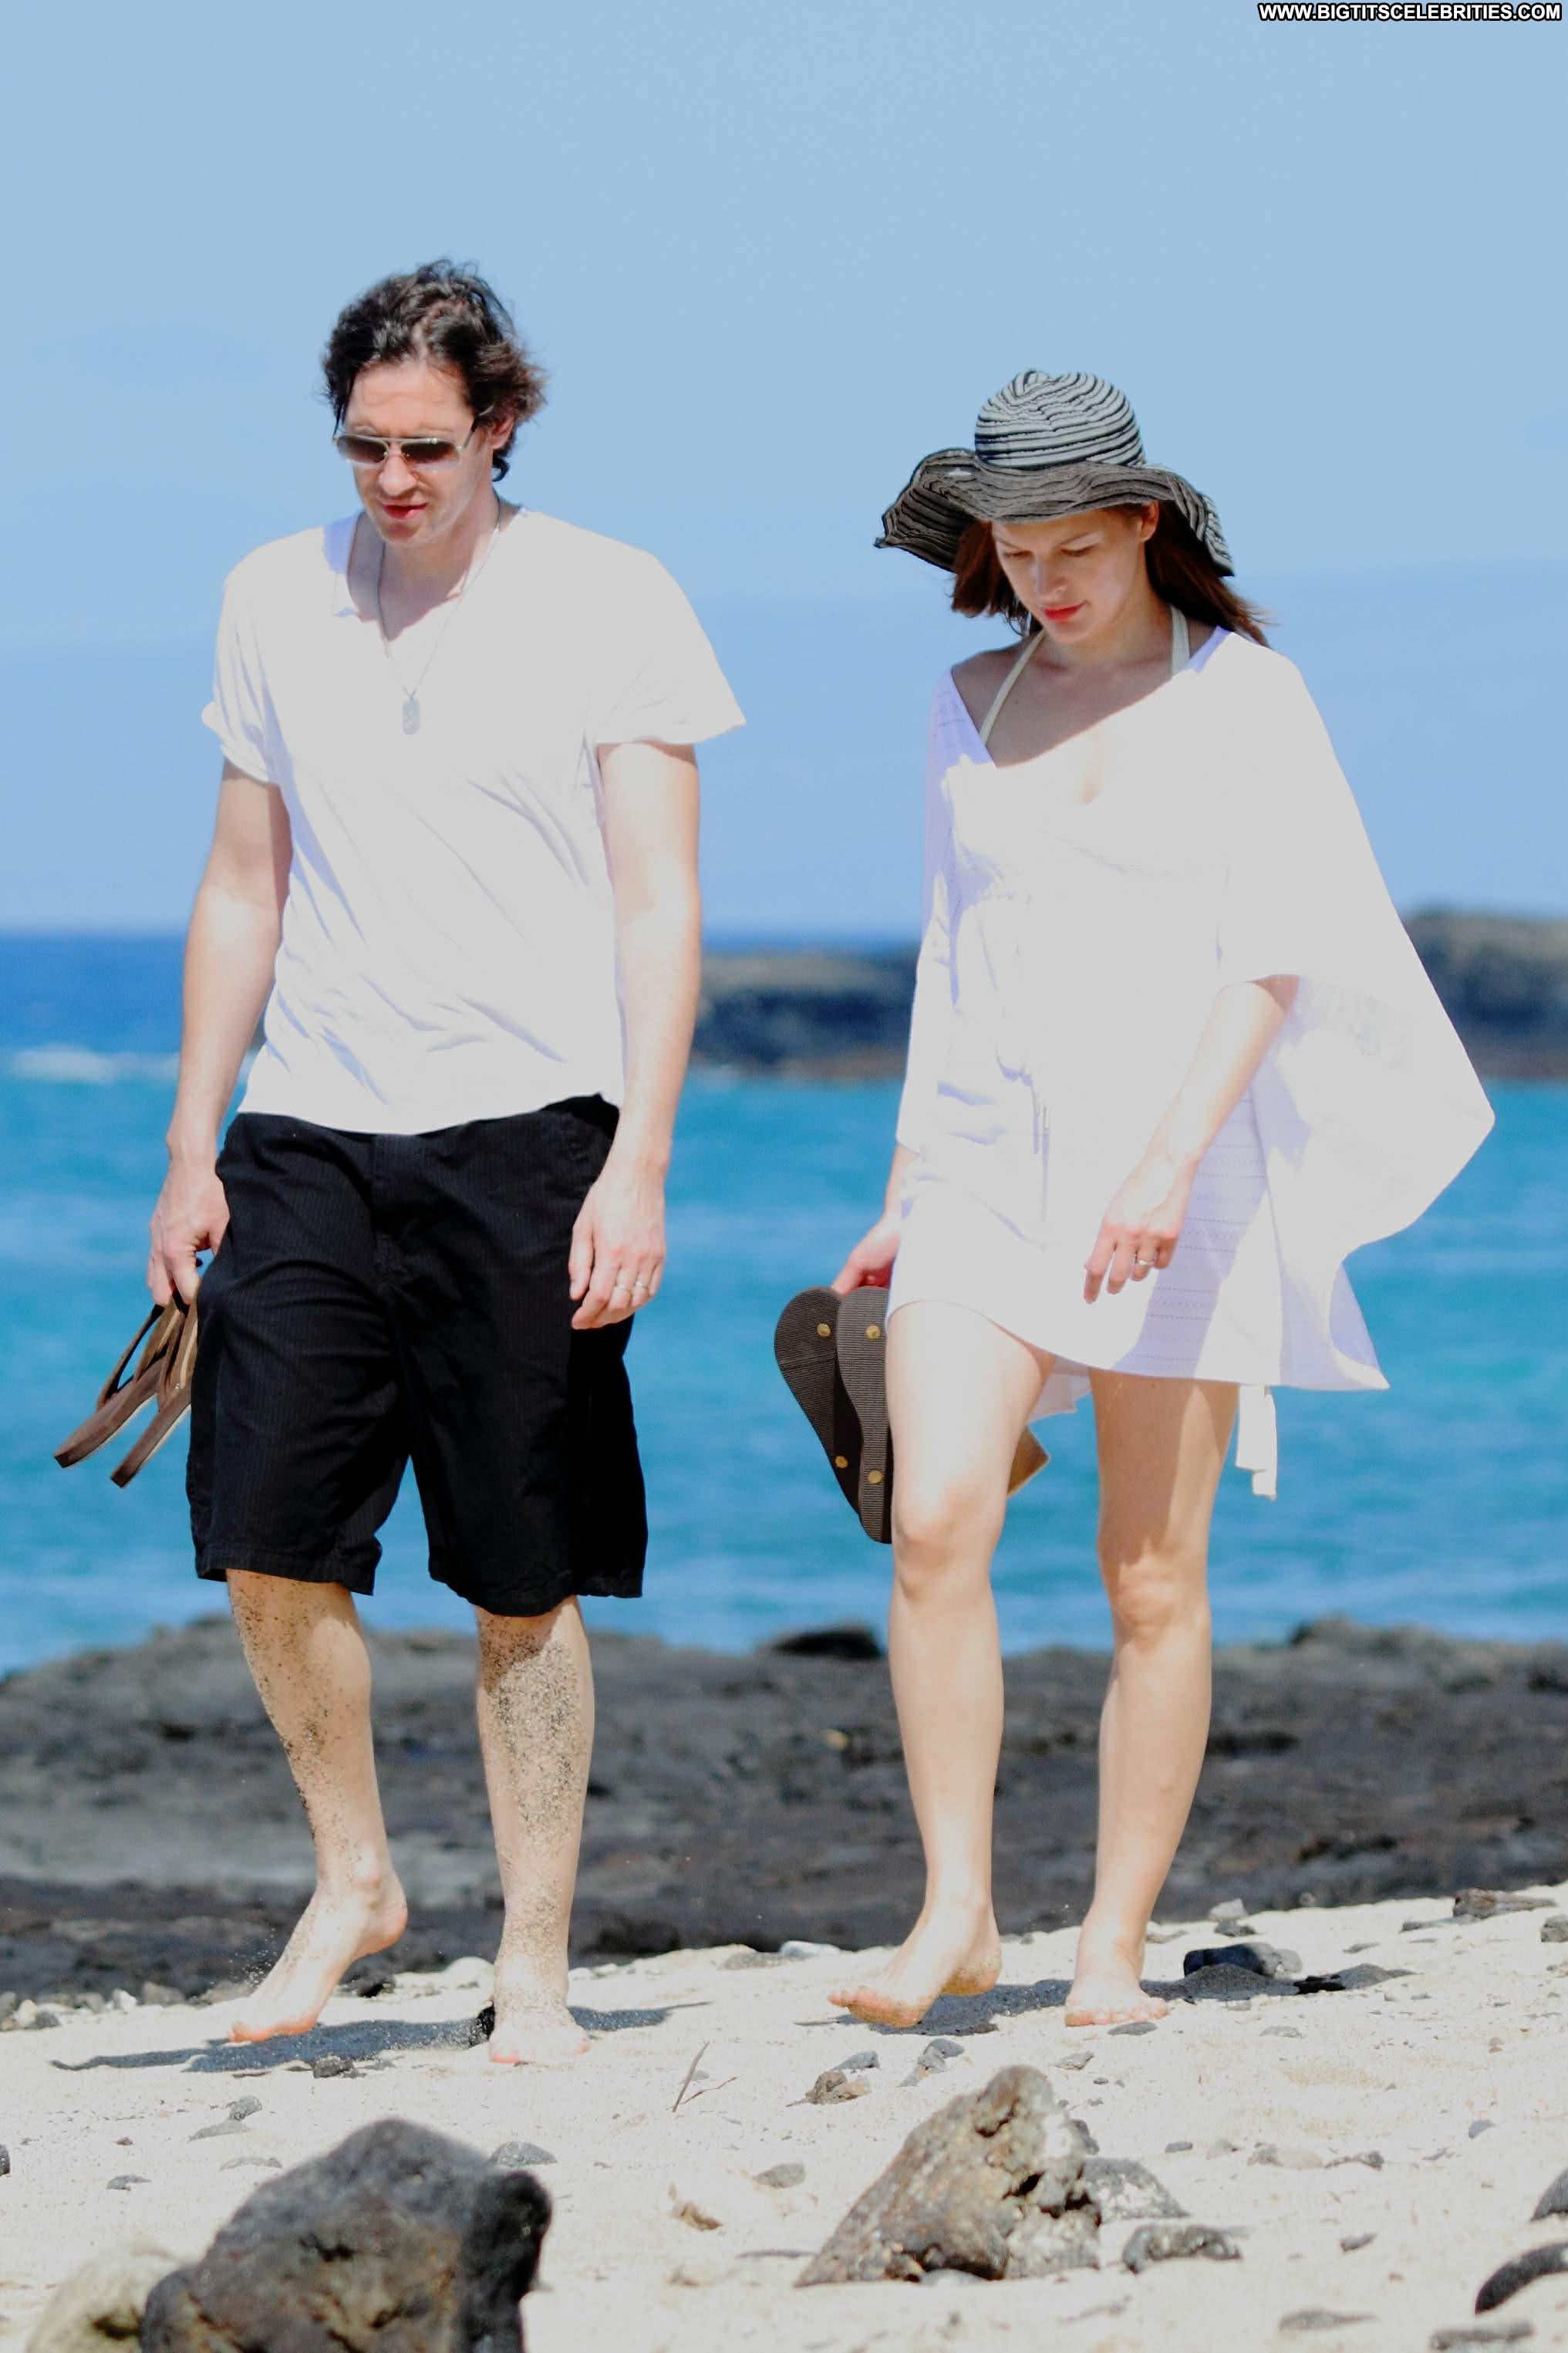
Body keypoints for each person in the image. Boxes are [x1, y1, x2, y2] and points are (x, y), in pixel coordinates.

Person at [826, 370, 1491, 2030]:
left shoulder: (1244, 696)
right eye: (1013, 548)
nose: (1042, 578)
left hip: (1185, 1174)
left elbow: (1275, 951)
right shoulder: (967, 699)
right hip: (983, 1162)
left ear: (1141, 523)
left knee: (1148, 1570)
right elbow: (950, 960)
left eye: (1072, 544)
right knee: (935, 1519)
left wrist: (1168, 1164)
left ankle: (1110, 1944)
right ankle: (956, 1911)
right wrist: (904, 1187)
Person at [147, 262, 742, 2063]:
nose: (394, 480)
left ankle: (535, 1958)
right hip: (309, 1126)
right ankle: (356, 1880)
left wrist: (639, 1162)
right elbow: (241, 883)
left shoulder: (612, 597)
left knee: (518, 1572)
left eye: (426, 446)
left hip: (532, 1129)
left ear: (500, 426)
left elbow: (658, 902)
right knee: (266, 1536)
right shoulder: (271, 593)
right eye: (364, 447)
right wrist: (188, 1141)